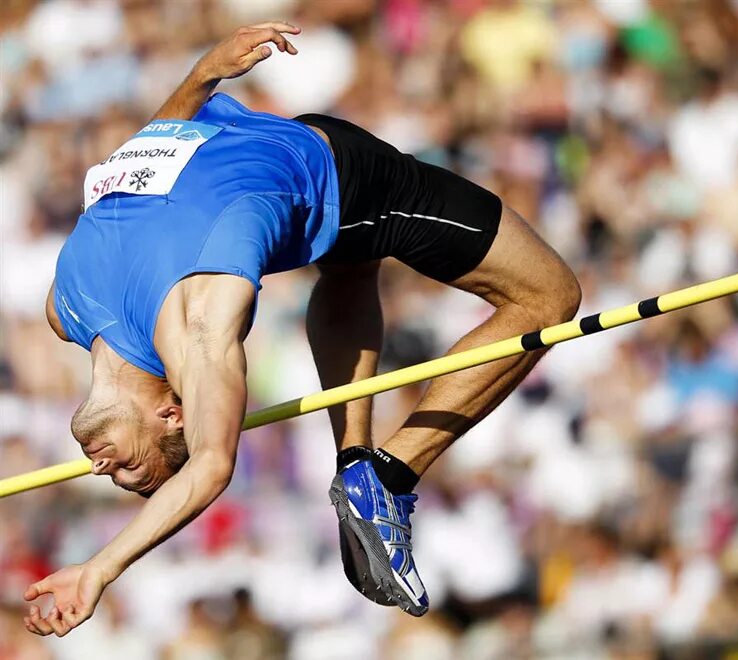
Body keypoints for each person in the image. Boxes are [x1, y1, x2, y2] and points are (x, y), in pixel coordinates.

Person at [23, 22, 580, 636]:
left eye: (128, 473)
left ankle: (367, 467)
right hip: (343, 176)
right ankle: (384, 475)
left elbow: (150, 153)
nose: (105, 470)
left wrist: (201, 74)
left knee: (357, 266)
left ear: (173, 415)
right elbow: (212, 465)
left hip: (294, 158)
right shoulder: (200, 334)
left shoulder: (64, 304)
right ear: (172, 414)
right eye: (134, 470)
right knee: (548, 295)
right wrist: (101, 570)